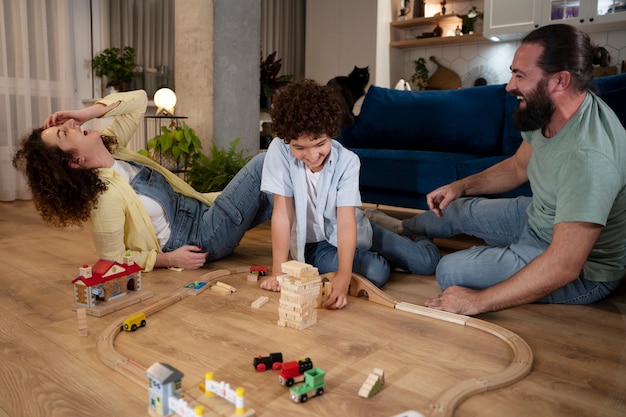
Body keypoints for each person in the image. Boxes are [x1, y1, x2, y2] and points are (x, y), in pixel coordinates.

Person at [367, 24, 626, 315]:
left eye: (520, 75)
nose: (509, 86)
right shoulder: (551, 112)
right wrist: (460, 186)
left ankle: (413, 249)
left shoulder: (589, 156)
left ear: (560, 81)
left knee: (450, 271)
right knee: (455, 207)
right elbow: (517, 167)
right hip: (541, 218)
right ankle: (402, 228)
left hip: (583, 273)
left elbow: (564, 265)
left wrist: (477, 301)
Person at [12, 90, 272, 272]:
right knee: (264, 164)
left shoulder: (113, 150)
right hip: (201, 239)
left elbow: (137, 100)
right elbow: (112, 259)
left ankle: (311, 247)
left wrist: (87, 112)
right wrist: (170, 259)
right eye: (64, 133)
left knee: (275, 192)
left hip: (204, 209)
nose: (70, 123)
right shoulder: (103, 198)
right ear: (74, 161)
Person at [259, 80, 440, 309]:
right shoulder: (278, 152)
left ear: (332, 132)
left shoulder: (348, 161)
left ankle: (411, 230)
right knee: (376, 271)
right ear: (287, 141)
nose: (312, 155)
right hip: (315, 247)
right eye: (299, 148)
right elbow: (282, 214)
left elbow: (345, 222)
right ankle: (373, 238)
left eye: (320, 144)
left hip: (353, 226)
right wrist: (279, 271)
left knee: (425, 262)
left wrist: (344, 276)